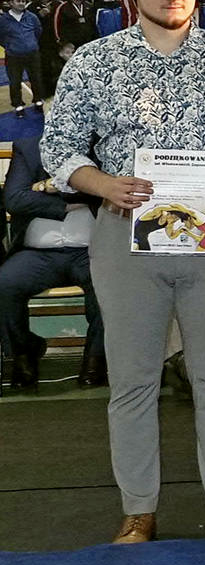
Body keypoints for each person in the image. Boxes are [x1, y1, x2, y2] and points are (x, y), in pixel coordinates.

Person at [42, 0, 205, 544]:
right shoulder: (94, 61)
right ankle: (138, 511)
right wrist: (103, 183)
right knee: (132, 381)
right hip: (125, 234)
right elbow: (58, 148)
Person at [0, 115, 105, 392]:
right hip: (37, 254)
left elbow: (104, 191)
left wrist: (46, 186)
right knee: (4, 284)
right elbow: (15, 199)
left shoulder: (101, 144)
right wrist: (68, 202)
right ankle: (24, 354)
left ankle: (96, 359)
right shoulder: (28, 146)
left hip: (92, 251)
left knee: (108, 284)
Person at [0, 0, 42, 109]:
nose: (21, 3)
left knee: (36, 78)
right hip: (13, 55)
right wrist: (10, 46)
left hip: (32, 54)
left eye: (23, 1)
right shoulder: (3, 20)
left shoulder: (32, 17)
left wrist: (31, 43)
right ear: (11, 3)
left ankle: (38, 100)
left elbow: (38, 31)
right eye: (18, 1)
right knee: (14, 81)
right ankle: (18, 104)